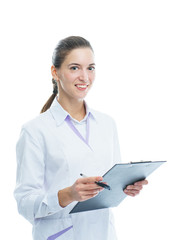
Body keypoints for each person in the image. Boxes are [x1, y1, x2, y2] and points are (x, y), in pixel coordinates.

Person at [14, 36, 148, 240]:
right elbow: (24, 204)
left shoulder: (107, 124)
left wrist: (125, 187)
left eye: (91, 68)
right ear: (55, 72)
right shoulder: (35, 130)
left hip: (104, 233)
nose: (85, 77)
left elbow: (108, 186)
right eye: (75, 68)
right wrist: (68, 195)